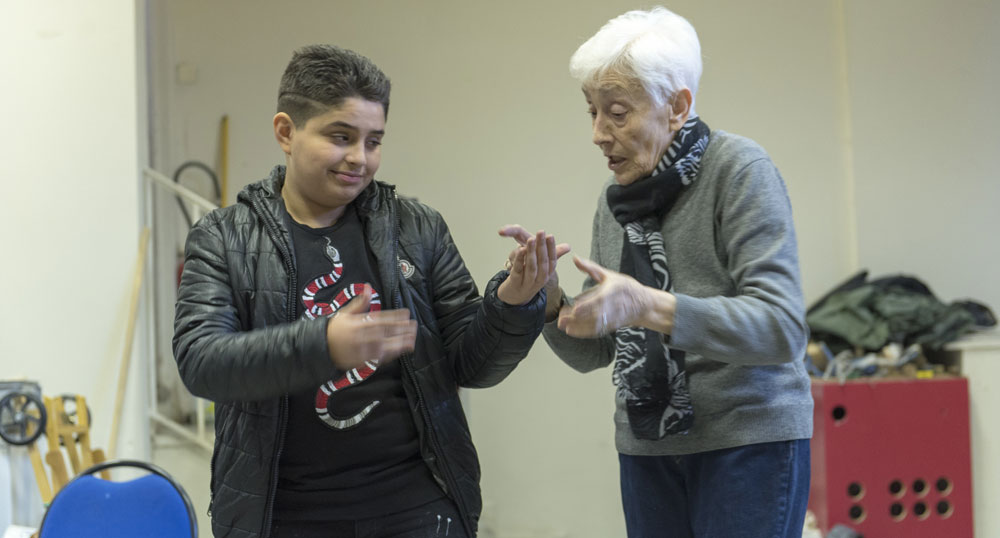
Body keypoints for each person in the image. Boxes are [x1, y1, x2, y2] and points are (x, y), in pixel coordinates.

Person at [173, 44, 565, 538]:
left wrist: (512, 302)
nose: (359, 159)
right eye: (341, 137)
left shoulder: (416, 228)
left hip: (417, 507)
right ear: (286, 132)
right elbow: (202, 362)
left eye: (374, 141)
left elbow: (470, 365)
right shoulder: (224, 237)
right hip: (284, 515)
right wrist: (323, 345)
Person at [503, 7, 812, 538]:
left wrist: (648, 306)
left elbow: (782, 328)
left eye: (617, 113)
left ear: (677, 107)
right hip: (646, 445)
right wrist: (548, 302)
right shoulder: (616, 199)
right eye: (591, 112)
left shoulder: (739, 170)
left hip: (748, 442)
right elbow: (594, 352)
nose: (598, 134)